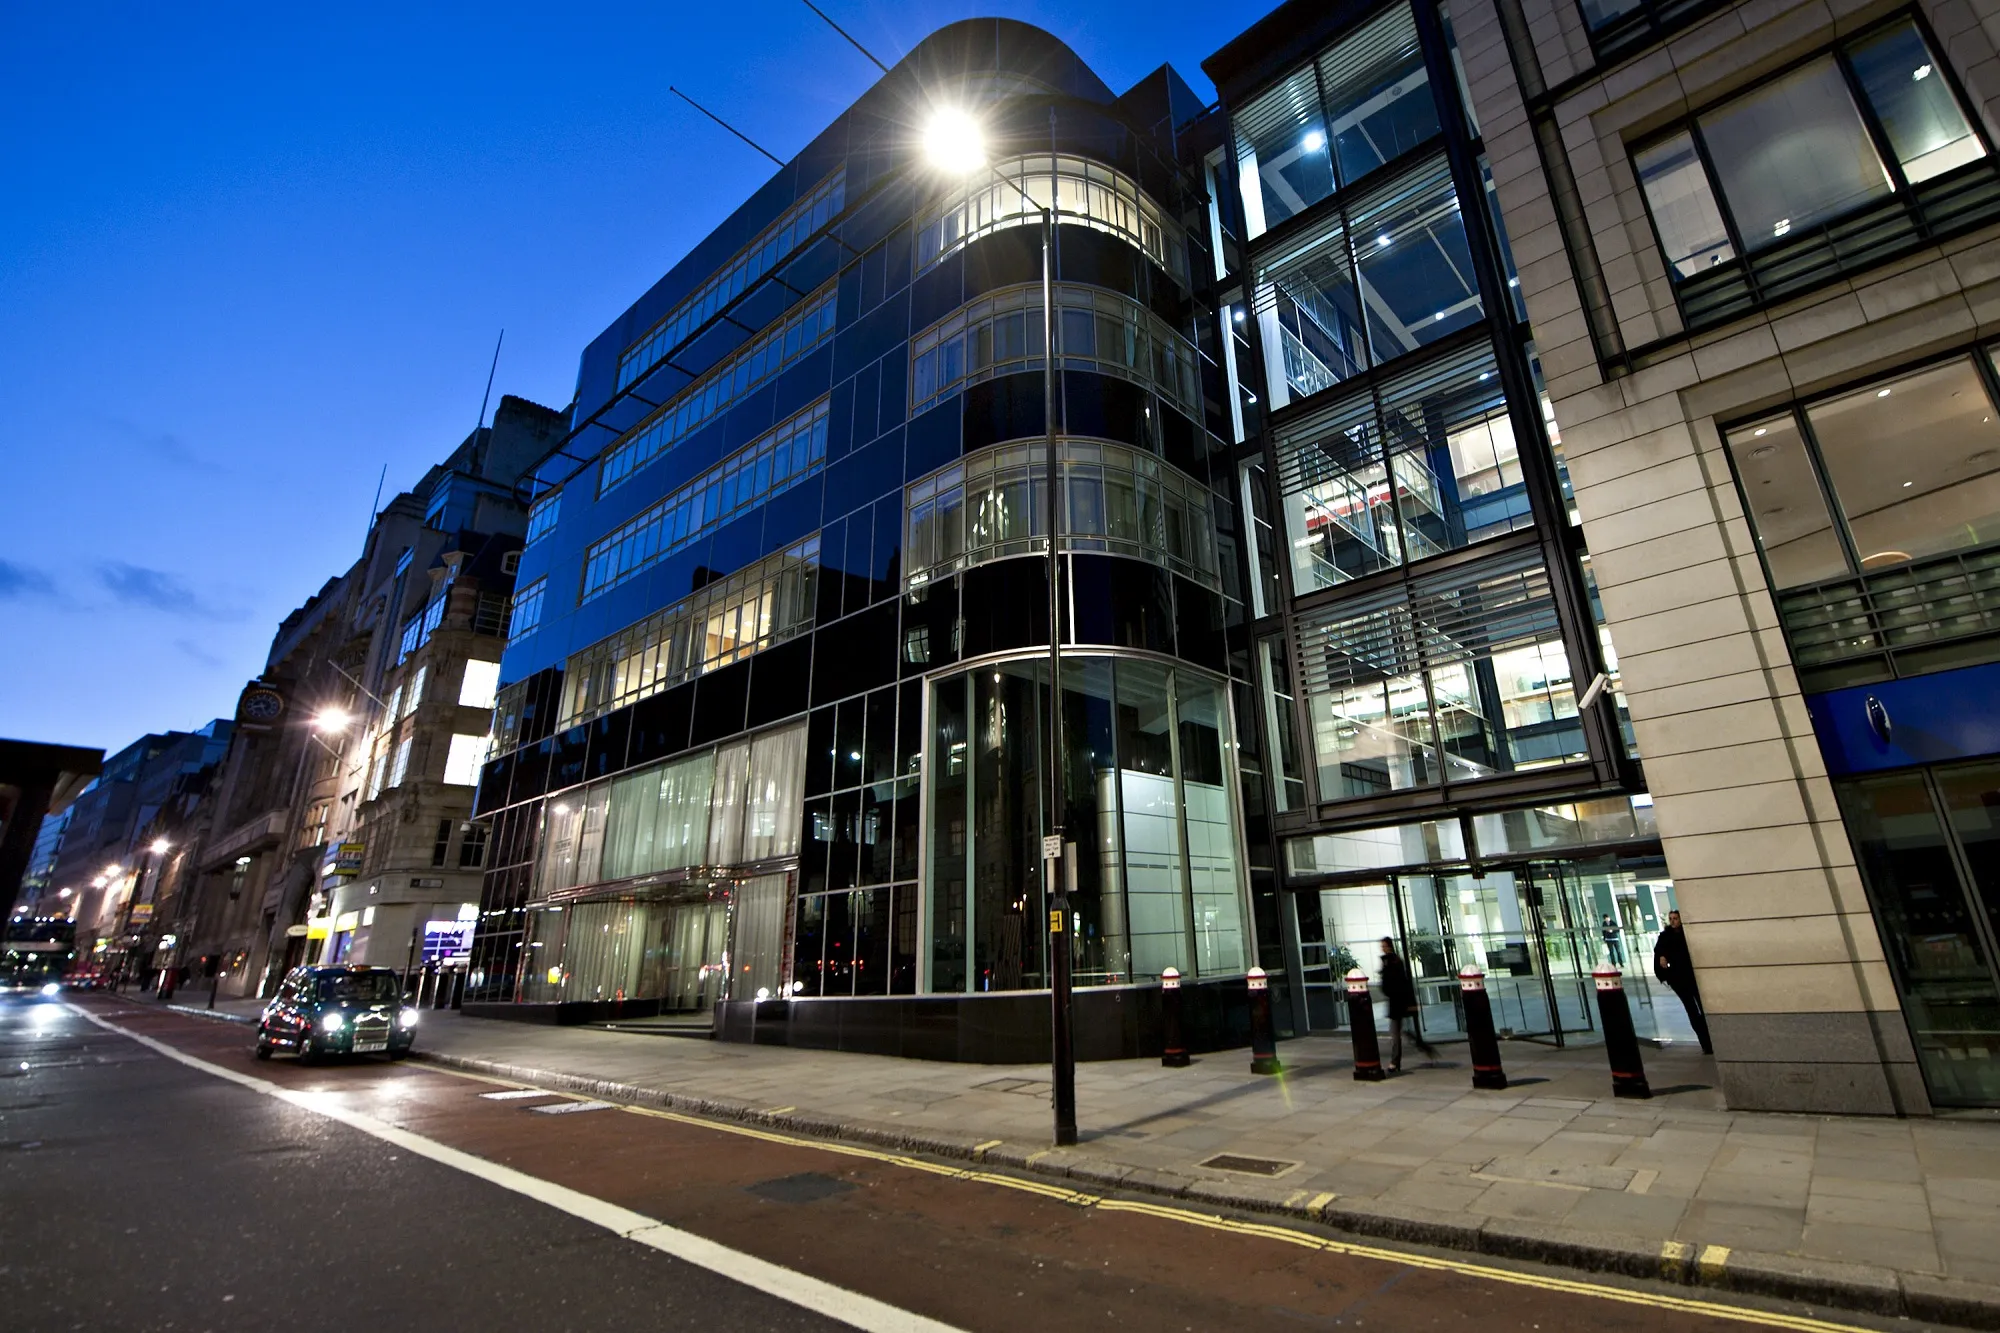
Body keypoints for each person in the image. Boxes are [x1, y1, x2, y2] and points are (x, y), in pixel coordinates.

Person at [1652, 909, 1713, 1054]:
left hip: (1692, 977)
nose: (1673, 921)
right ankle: (1705, 1042)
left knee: (1702, 1008)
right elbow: (1659, 951)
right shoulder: (1665, 936)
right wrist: (1662, 958)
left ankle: (1710, 1039)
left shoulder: (1687, 934)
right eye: (1671, 918)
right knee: (1692, 1010)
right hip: (1679, 978)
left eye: (1676, 918)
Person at [1378, 938, 1435, 1071]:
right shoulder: (1391, 961)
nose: (1382, 948)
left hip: (1397, 1002)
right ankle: (1400, 1058)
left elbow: (1400, 983)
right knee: (1399, 1032)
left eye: (1384, 946)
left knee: (1396, 1033)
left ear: (1389, 947)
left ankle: (1395, 1061)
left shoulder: (1393, 962)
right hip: (1396, 1002)